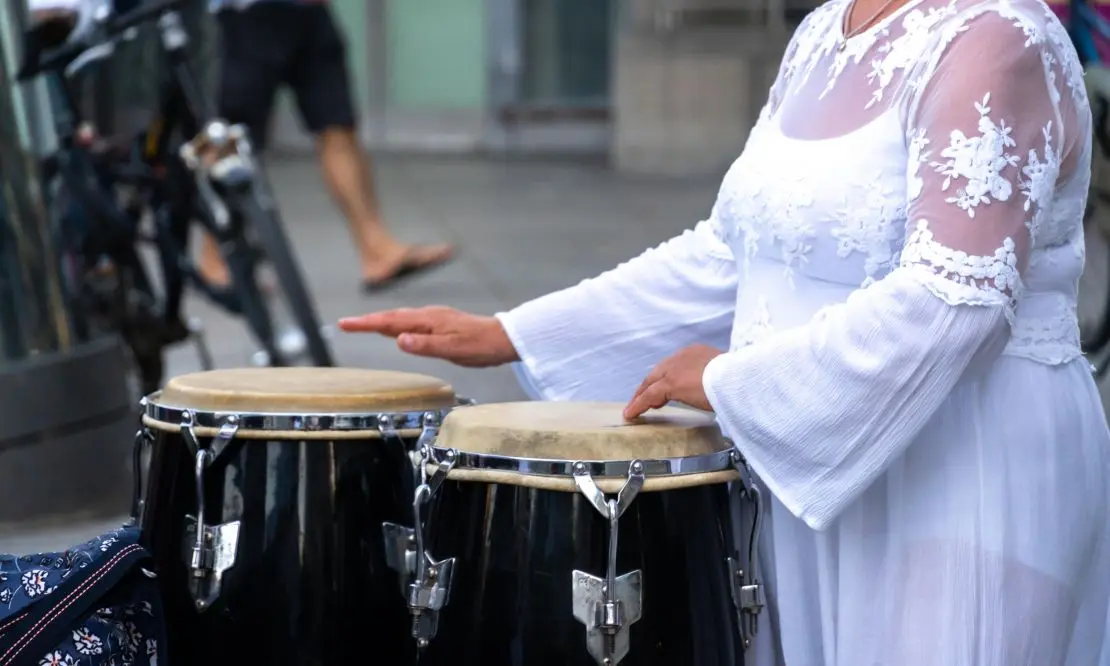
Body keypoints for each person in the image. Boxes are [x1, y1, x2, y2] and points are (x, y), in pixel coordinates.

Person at [339, 0, 1110, 662]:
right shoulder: (823, 33)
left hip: (959, 471)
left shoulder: (998, 39)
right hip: (806, 451)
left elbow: (954, 301)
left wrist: (728, 383)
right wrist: (513, 333)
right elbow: (730, 251)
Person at [204, 0, 453, 291]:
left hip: (310, 12)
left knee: (338, 127)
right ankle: (215, 258)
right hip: (250, 13)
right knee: (234, 138)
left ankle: (377, 250)